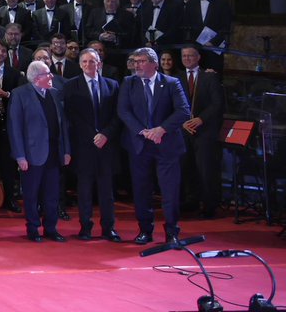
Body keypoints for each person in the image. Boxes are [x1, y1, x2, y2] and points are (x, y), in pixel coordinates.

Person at [119, 46, 191, 244]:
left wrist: (161, 130)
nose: (137, 65)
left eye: (141, 61)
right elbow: (123, 111)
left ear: (154, 64)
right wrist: (143, 131)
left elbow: (184, 111)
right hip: (139, 145)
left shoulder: (171, 83)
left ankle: (172, 232)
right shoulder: (128, 82)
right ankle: (145, 230)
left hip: (166, 145)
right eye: (135, 61)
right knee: (142, 190)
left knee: (170, 191)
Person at [62, 47, 122, 241]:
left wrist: (105, 134)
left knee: (107, 191)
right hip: (84, 146)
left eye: (93, 61)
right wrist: (92, 135)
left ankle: (109, 228)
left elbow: (117, 115)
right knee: (85, 190)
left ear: (100, 64)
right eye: (85, 62)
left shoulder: (112, 85)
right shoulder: (71, 86)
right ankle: (85, 228)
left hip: (107, 145)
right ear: (80, 65)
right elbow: (71, 116)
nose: (89, 65)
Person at [8, 60, 71, 242]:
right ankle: (33, 228)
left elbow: (63, 125)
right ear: (36, 78)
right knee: (31, 194)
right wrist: (20, 155)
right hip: (31, 154)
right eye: (47, 74)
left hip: (53, 153)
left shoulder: (54, 94)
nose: (51, 76)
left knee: (52, 194)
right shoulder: (20, 94)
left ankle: (51, 228)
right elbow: (15, 127)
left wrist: (66, 150)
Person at [177, 45, 224, 218]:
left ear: (198, 58)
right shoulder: (177, 78)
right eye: (184, 56)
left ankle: (210, 204)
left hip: (205, 131)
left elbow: (217, 104)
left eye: (190, 55)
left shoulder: (209, 77)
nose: (187, 59)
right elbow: (173, 104)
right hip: (184, 130)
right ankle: (191, 200)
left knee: (206, 169)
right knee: (186, 167)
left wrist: (200, 119)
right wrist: (183, 123)